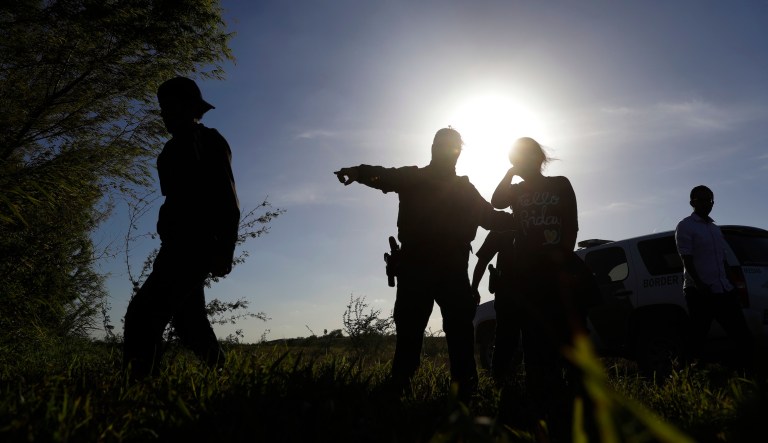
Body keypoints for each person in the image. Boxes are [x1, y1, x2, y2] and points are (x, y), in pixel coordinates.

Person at [334, 127, 514, 399]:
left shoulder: (463, 189)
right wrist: (358, 172)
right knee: (411, 334)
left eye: (451, 147)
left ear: (458, 153)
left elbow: (491, 218)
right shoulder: (414, 177)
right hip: (418, 268)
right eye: (441, 145)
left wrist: (523, 220)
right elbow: (383, 175)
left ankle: (463, 395)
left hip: (449, 270)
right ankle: (401, 392)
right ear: (433, 148)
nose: (446, 151)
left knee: (459, 336)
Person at [123, 76, 240, 380]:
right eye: (162, 108)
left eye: (169, 107)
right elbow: (175, 200)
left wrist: (225, 249)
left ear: (188, 108)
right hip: (176, 246)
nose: (164, 114)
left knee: (142, 317)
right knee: (190, 323)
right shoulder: (171, 149)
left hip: (193, 246)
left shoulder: (207, 141)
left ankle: (138, 388)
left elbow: (227, 198)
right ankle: (224, 378)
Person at [491, 136, 584, 439]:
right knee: (533, 338)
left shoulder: (559, 184)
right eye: (517, 158)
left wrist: (564, 259)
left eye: (527, 156)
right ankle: (540, 400)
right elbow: (496, 201)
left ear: (539, 158)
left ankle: (572, 397)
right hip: (527, 275)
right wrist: (510, 173)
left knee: (564, 334)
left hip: (556, 270)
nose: (523, 162)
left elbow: (571, 224)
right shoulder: (516, 190)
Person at [674, 185, 754, 369]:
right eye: (701, 200)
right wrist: (700, 284)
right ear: (692, 203)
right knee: (697, 335)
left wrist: (731, 283)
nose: (707, 204)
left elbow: (722, 259)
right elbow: (686, 258)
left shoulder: (715, 229)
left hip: (723, 288)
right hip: (700, 291)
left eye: (709, 200)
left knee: (741, 333)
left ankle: (745, 372)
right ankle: (681, 371)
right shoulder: (685, 226)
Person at [470, 230, 520, 382]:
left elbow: (483, 260)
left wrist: (474, 287)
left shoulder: (503, 226)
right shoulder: (532, 224)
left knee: (504, 340)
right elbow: (483, 260)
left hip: (509, 295)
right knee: (509, 339)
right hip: (518, 294)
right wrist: (474, 287)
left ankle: (500, 382)